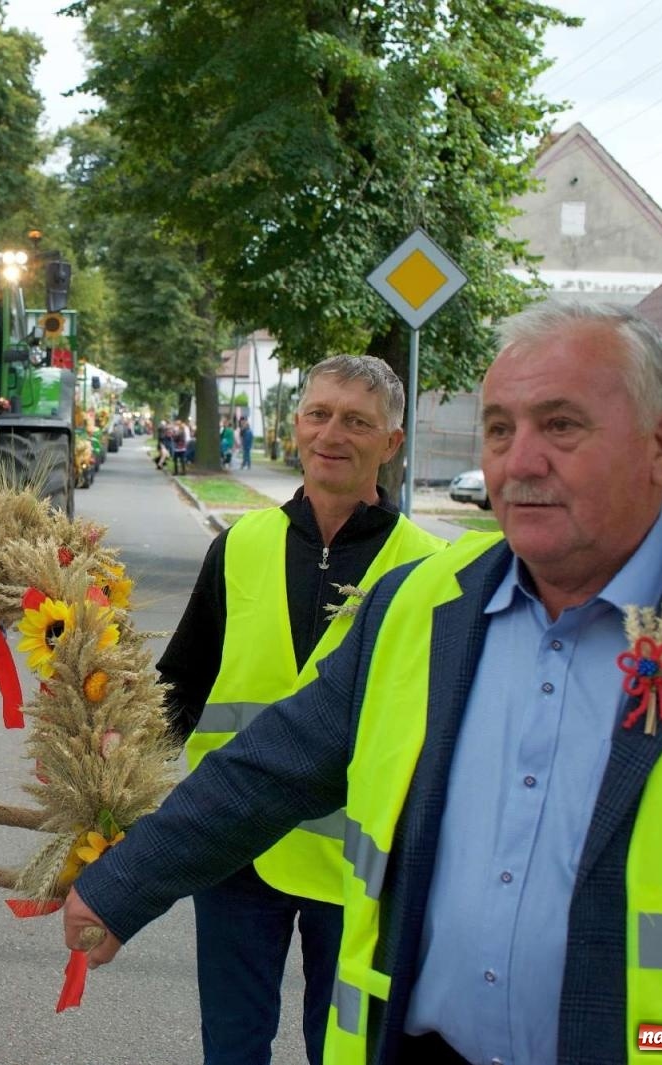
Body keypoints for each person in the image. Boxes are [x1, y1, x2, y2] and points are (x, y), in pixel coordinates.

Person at [64, 301, 662, 1064]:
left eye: (560, 425)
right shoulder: (425, 603)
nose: (520, 460)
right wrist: (125, 882)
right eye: (498, 429)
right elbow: (275, 762)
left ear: (660, 445)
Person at [161, 356, 445, 1065]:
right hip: (234, 847)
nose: (332, 433)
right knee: (232, 1046)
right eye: (319, 414)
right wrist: (105, 758)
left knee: (344, 1050)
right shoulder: (239, 548)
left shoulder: (428, 571)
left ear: (393, 441)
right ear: (295, 427)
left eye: (357, 420)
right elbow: (178, 689)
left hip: (358, 868)